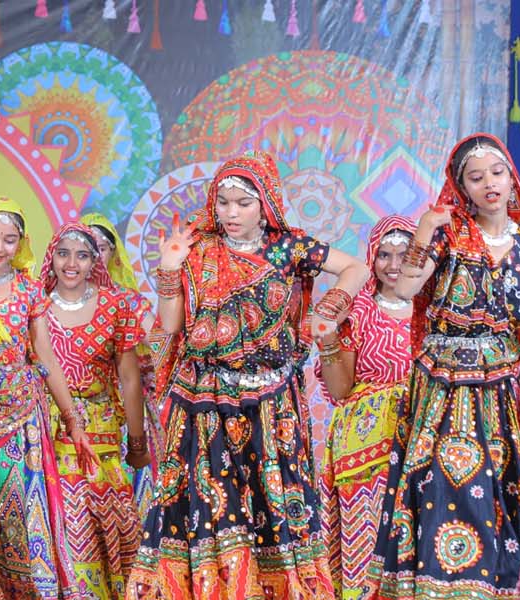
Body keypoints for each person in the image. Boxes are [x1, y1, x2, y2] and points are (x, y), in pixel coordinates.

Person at [368, 133, 520, 599]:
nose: (489, 183)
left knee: (503, 486)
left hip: (501, 387)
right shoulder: (450, 235)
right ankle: (440, 586)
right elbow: (408, 288)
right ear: (463, 189)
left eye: (497, 173)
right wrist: (423, 230)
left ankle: (500, 587)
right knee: (440, 484)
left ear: (512, 181)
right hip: (444, 386)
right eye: (476, 178)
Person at [129, 151, 366, 598]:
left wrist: (330, 309)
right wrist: (169, 267)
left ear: (266, 204)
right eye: (223, 203)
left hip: (270, 402)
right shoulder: (200, 249)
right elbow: (172, 324)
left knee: (274, 504)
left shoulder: (288, 247)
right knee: (210, 507)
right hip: (204, 401)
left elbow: (356, 268)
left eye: (243, 203)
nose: (231, 213)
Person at [0, 197, 89, 599]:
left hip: (20, 421)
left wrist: (72, 420)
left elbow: (46, 358)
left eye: (9, 240)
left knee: (21, 511)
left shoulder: (28, 290)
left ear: (21, 243)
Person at [43, 222, 148, 599]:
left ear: (95, 262)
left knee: (111, 525)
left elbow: (129, 378)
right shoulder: (35, 306)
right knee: (67, 524)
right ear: (51, 258)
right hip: (50, 433)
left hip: (102, 434)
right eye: (63, 254)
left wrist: (137, 442)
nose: (71, 264)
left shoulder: (114, 306)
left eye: (82, 255)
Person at [315, 215, 416, 598]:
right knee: (367, 538)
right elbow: (340, 390)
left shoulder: (435, 311)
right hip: (363, 446)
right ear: (371, 258)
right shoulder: (359, 310)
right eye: (384, 255)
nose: (393, 265)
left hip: (420, 439)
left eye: (404, 255)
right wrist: (327, 340)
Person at [79, 213, 161, 516]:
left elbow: (160, 344)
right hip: (76, 411)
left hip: (125, 410)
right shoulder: (55, 301)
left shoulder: (128, 301)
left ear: (113, 254)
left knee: (131, 498)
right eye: (85, 249)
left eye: (100, 248)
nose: (94, 257)